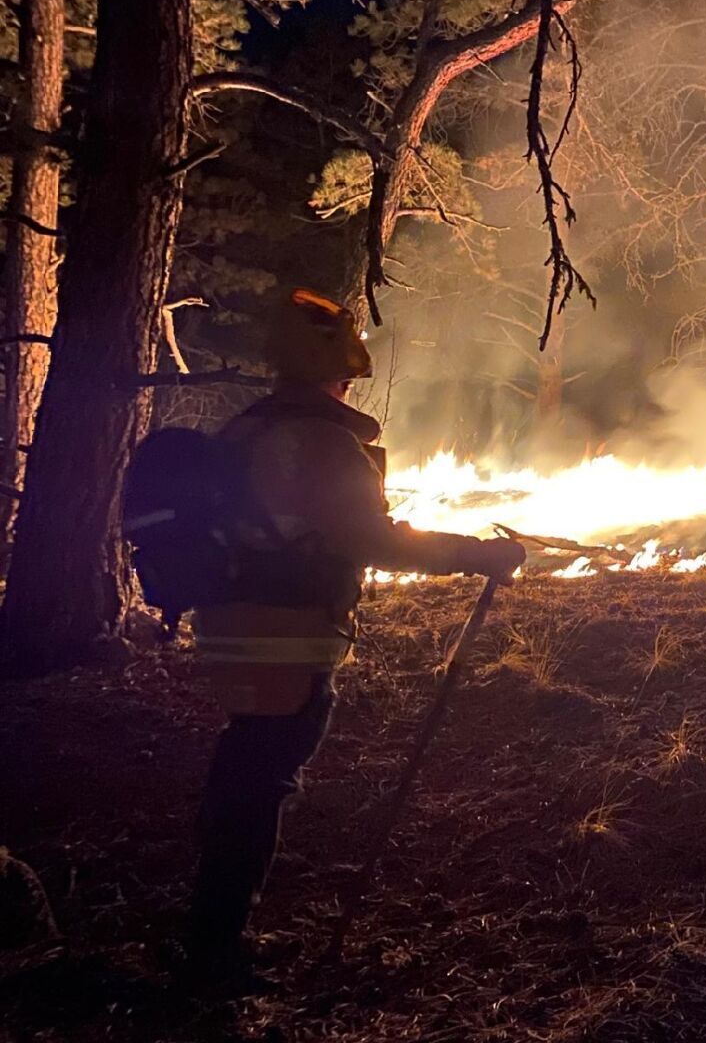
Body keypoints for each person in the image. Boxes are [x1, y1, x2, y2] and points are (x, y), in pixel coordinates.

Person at [186, 289, 525, 977]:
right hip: (286, 636)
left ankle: (211, 933)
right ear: (329, 370)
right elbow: (373, 539)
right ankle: (214, 950)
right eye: (345, 373)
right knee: (259, 781)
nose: (348, 385)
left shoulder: (248, 428)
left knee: (245, 773)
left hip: (231, 626)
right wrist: (476, 554)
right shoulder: (320, 442)